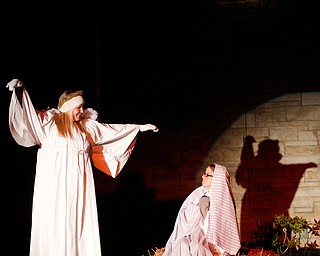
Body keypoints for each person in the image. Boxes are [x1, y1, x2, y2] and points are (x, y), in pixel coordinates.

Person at [6, 78, 158, 256]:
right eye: (78, 107)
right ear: (68, 108)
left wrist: (139, 128)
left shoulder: (86, 128)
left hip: (79, 185)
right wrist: (20, 91)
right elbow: (28, 117)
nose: (82, 110)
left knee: (77, 222)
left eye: (82, 107)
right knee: (56, 221)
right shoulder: (48, 125)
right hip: (54, 185)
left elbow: (111, 130)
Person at [163, 163, 241, 256]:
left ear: (217, 179)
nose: (203, 176)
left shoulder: (223, 200)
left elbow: (222, 228)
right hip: (193, 231)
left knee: (197, 247)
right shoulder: (198, 193)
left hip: (209, 238)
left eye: (207, 175)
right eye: (204, 173)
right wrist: (200, 204)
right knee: (182, 244)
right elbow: (184, 216)